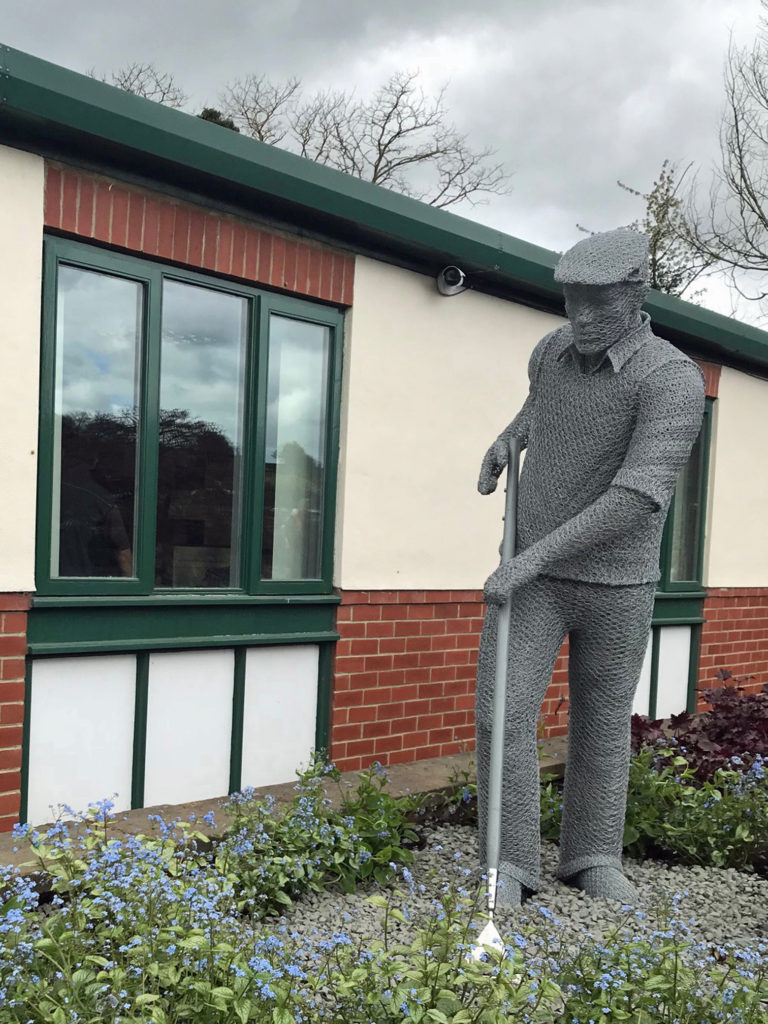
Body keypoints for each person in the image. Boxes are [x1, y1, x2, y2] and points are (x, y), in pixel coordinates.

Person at [475, 229, 705, 907]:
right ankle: (508, 864)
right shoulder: (550, 352)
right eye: (571, 300)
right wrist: (508, 438)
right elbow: (537, 411)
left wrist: (530, 557)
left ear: (635, 294)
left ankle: (593, 855)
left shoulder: (671, 379)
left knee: (601, 724)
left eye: (597, 302)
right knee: (500, 715)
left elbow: (639, 495)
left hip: (618, 585)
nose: (579, 317)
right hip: (534, 583)